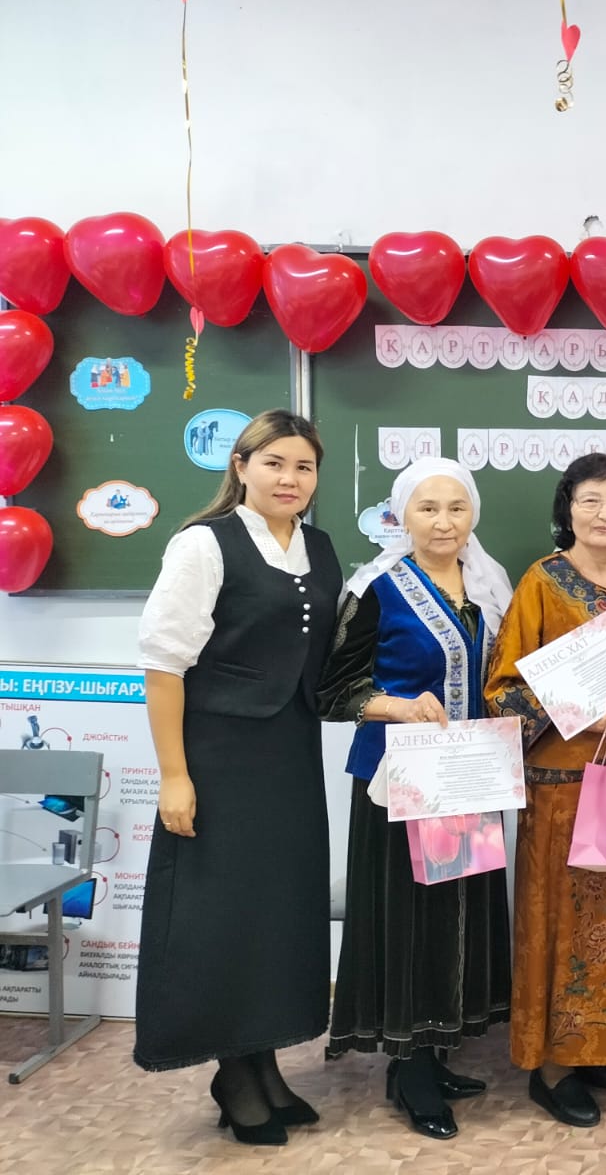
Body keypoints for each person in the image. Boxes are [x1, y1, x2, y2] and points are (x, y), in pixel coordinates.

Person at [133, 409, 341, 1146]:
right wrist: (174, 775)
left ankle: (263, 1064)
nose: (290, 479)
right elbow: (164, 666)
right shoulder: (204, 544)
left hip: (290, 753)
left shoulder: (317, 546)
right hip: (218, 758)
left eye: (304, 467)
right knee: (221, 914)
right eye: (275, 463)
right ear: (242, 466)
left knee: (275, 911)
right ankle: (232, 1073)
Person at [317, 457, 516, 1141]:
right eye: (427, 508)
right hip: (397, 782)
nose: (443, 522)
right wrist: (398, 707)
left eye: (456, 508)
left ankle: (436, 1050)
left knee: (457, 912)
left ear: (473, 515)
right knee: (409, 917)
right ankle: (408, 1069)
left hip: (469, 776)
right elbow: (332, 691)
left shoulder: (488, 584)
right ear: (401, 515)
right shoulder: (375, 588)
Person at [482, 453, 606, 1129]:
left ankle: (598, 1047)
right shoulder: (542, 581)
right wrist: (573, 701)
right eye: (590, 501)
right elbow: (502, 689)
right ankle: (553, 1067)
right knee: (560, 921)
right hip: (559, 784)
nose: (604, 514)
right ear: (568, 509)